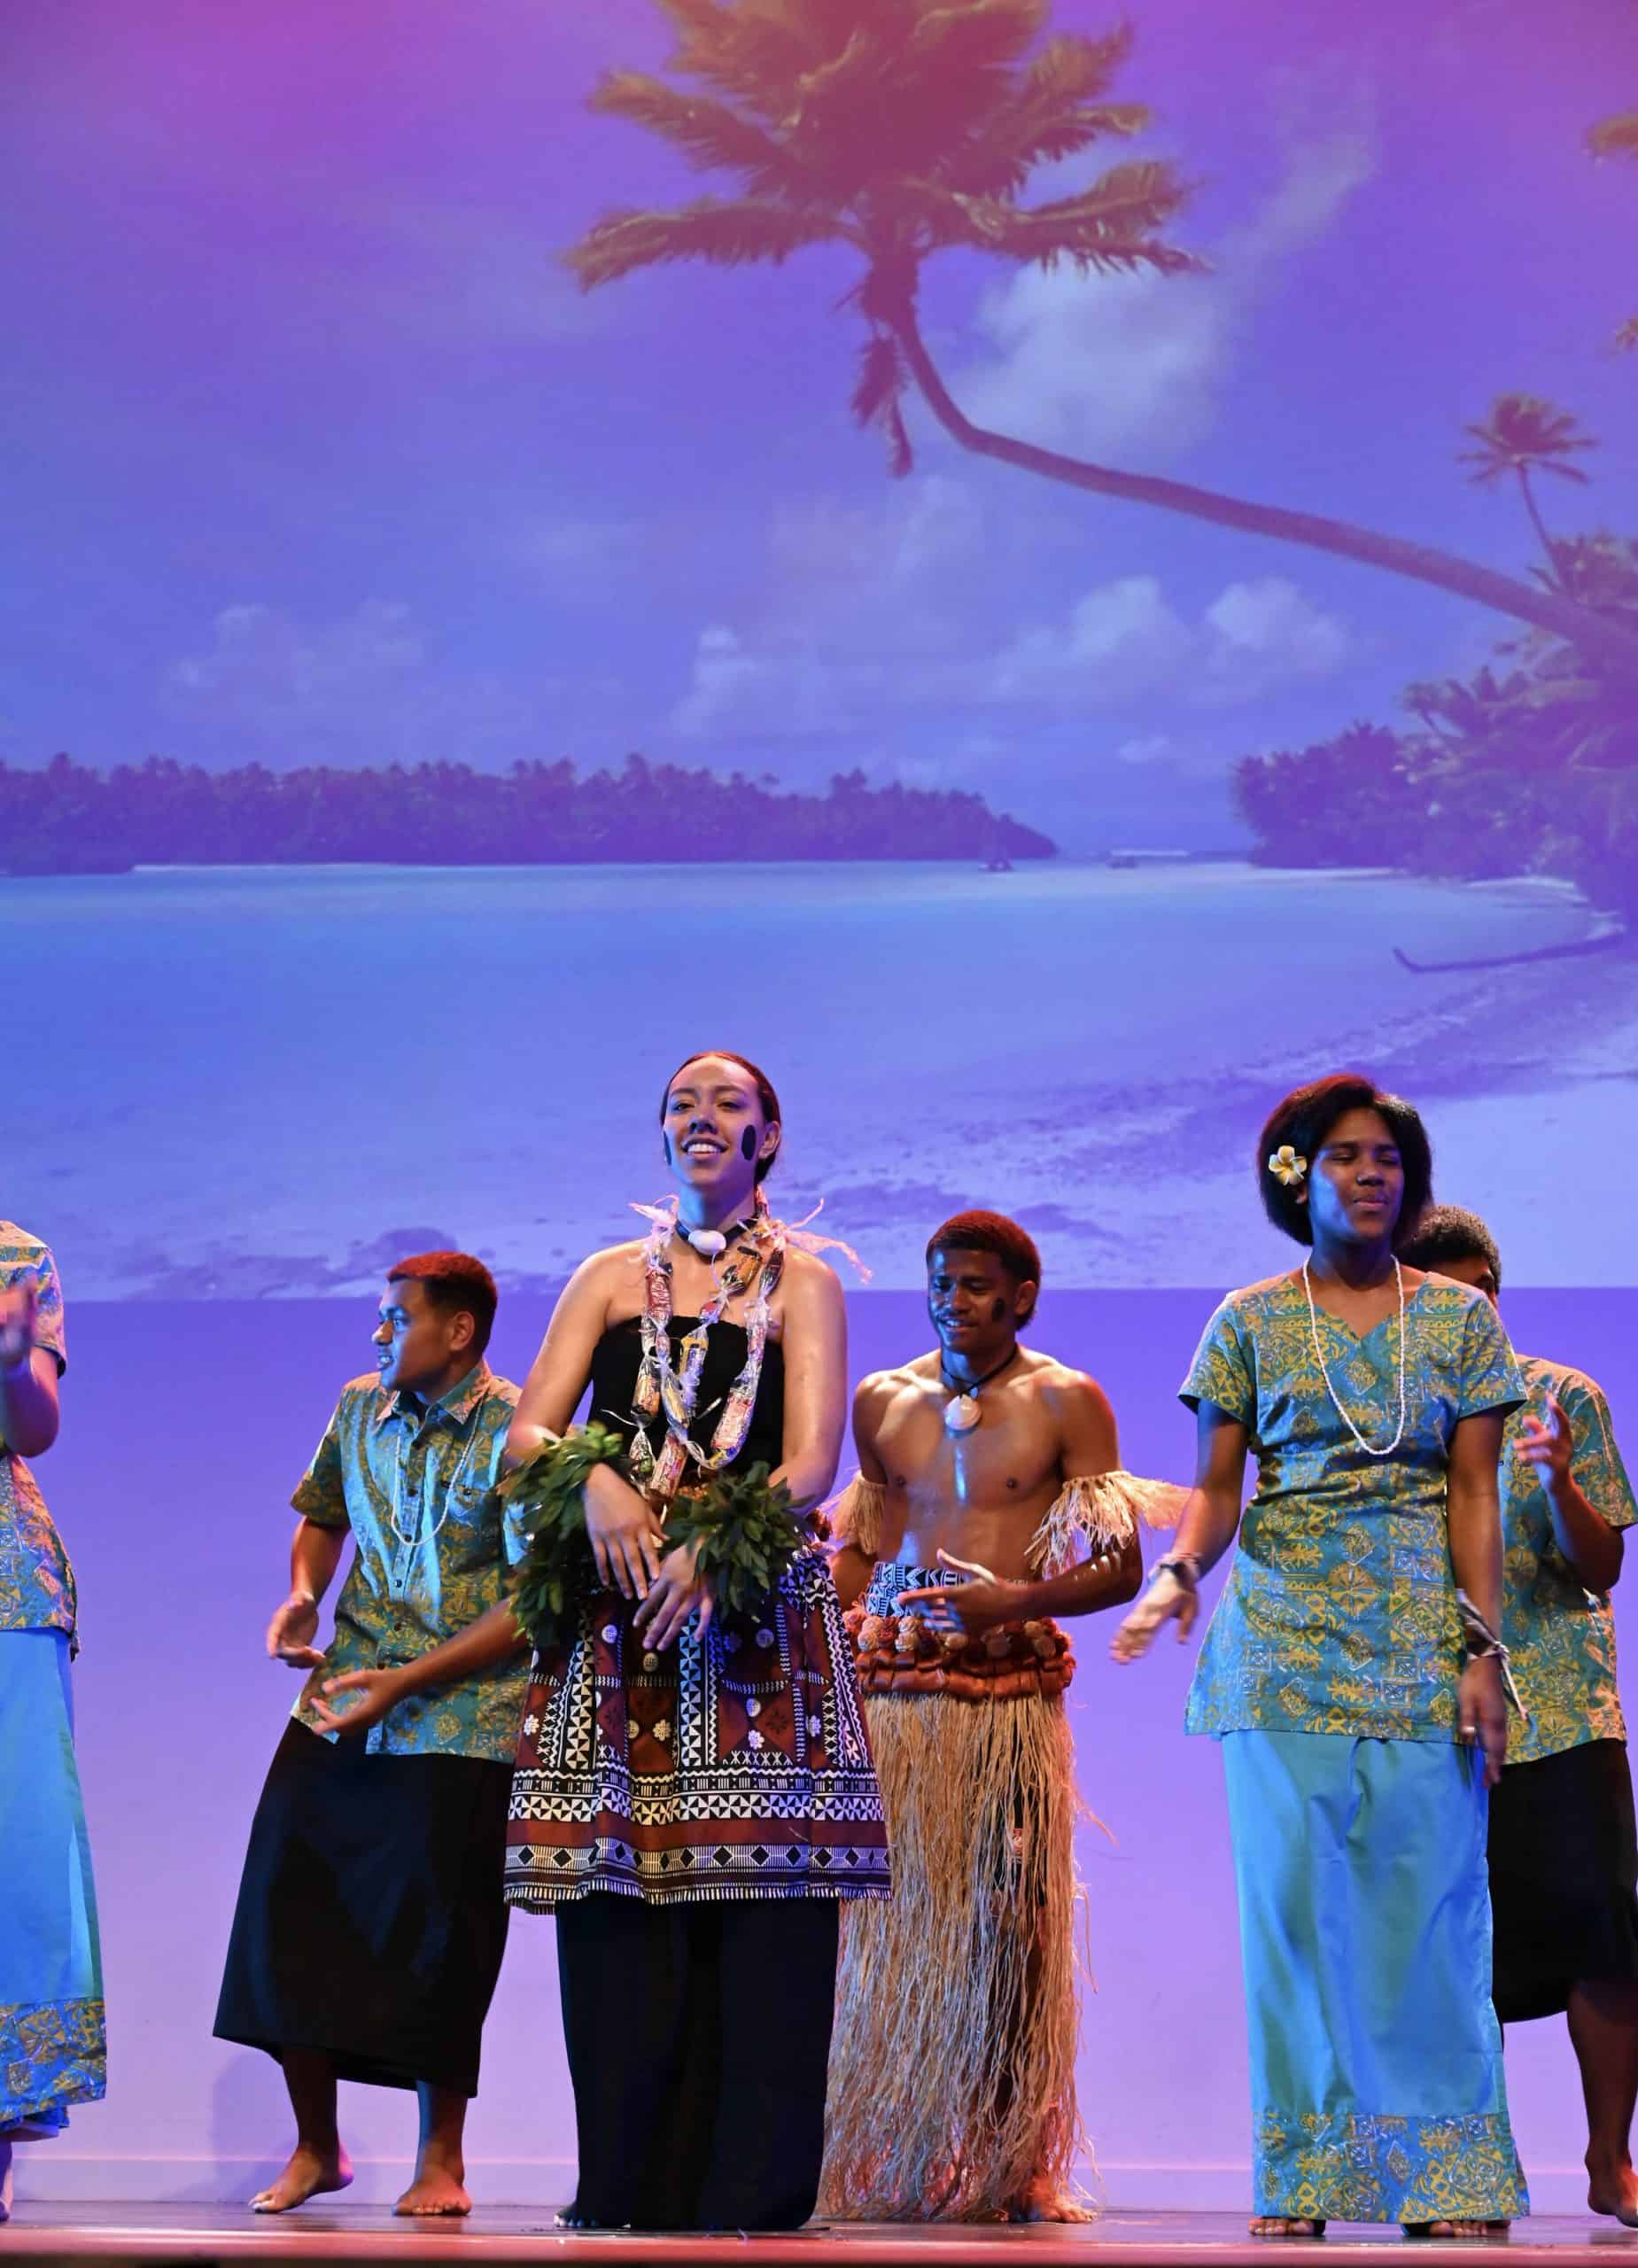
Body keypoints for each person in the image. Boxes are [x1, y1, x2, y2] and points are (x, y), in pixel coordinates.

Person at [314, 1053, 888, 2232]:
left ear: (769, 1137)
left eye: (728, 1105)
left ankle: (751, 2188)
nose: (701, 1119)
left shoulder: (809, 1283)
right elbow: (529, 1431)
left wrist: (714, 1542)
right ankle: (631, 2183)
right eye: (682, 1104)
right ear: (662, 1135)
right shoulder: (607, 1277)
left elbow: (811, 1462)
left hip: (753, 1621)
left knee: (764, 1914)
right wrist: (597, 1484)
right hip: (619, 1617)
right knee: (621, 1903)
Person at [1113, 1074, 1529, 2240]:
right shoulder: (1246, 1320)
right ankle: (1307, 2177)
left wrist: (1485, 1649)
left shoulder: (1460, 1321)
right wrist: (1175, 1572)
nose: (1369, 1174)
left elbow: (1475, 1496)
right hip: (1282, 1649)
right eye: (1344, 1154)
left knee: (1426, 1910)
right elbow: (1214, 1491)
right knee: (1294, 1917)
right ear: (1296, 1177)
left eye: (1387, 1157)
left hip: (1421, 1647)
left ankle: (1443, 2179)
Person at [819, 1210, 1180, 2224]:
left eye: (975, 1284)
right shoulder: (882, 1399)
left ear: (1021, 1297)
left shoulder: (1068, 1399)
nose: (953, 1301)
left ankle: (1015, 2155)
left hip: (1009, 1698)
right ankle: (883, 2152)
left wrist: (1013, 1601)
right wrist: (813, 1620)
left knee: (1011, 1920)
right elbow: (866, 1545)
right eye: (940, 1282)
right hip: (897, 1694)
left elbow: (1118, 1567)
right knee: (888, 1926)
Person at [213, 1254, 523, 2219]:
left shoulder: (519, 1429)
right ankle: (318, 2146)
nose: (378, 1334)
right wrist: (303, 1595)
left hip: (462, 1712)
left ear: (457, 1330)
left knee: (441, 1932)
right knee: (285, 1900)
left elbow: (530, 1605)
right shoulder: (359, 1406)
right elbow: (322, 1514)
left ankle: (442, 2161)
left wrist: (409, 1682)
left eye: (396, 1318)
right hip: (346, 1692)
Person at [1400, 1204, 1638, 2228]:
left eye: (1474, 1293)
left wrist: (1556, 1479)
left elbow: (1601, 1566)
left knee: (1604, 1937)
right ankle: (1470, 2171)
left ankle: (1608, 2162)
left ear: (1495, 1293)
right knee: (1450, 1946)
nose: (1462, 1313)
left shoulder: (1560, 1397)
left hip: (1563, 1711)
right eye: (1435, 1298)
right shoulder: (1387, 1420)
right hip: (1433, 1719)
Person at [0, 1225, 103, 2225]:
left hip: (3, 1589)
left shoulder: (13, 1256)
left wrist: (7, 1358)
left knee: (12, 1854)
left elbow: (34, 1429)